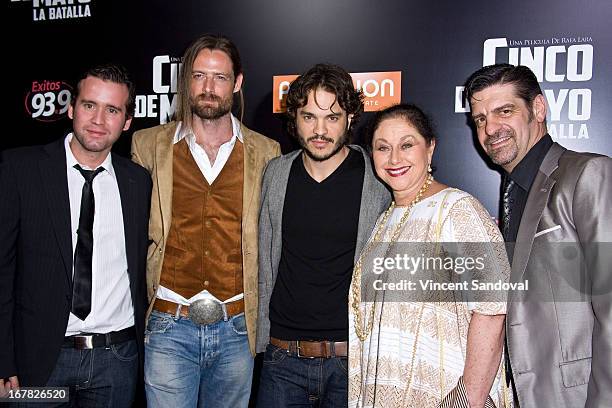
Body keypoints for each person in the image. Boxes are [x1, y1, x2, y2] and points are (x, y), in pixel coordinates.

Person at [131, 33, 280, 407]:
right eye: (198, 76)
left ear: (238, 82)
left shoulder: (266, 152)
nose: (208, 88)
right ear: (185, 82)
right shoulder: (147, 145)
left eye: (219, 78)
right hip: (168, 324)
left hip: (236, 327)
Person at [0, 64, 151, 407]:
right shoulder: (20, 170)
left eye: (112, 110)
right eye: (89, 105)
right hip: (39, 362)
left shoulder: (137, 181)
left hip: (116, 361)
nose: (98, 120)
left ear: (127, 121)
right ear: (71, 108)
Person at [465, 63, 612, 407]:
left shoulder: (587, 174)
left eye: (505, 111)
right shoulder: (510, 193)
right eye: (481, 119)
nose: (491, 128)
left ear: (539, 109)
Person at [349, 104, 511, 407]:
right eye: (383, 148)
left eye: (407, 145)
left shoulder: (458, 209)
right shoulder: (384, 220)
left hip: (444, 395)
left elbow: (492, 310)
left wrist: (467, 400)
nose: (394, 158)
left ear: (430, 148)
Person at [256, 63, 390, 407]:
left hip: (353, 361)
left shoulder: (377, 177)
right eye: (309, 116)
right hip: (282, 359)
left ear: (349, 118)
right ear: (294, 119)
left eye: (332, 117)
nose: (320, 129)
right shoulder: (276, 173)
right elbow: (264, 259)